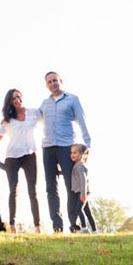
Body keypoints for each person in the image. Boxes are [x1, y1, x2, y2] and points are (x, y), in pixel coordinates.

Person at [39, 70, 90, 234]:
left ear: (60, 80)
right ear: (46, 85)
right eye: (49, 82)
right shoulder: (44, 104)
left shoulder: (72, 99)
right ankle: (57, 225)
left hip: (66, 147)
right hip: (48, 148)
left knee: (71, 186)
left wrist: (87, 145)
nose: (52, 83)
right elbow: (32, 119)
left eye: (55, 80)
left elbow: (82, 121)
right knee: (51, 187)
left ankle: (74, 224)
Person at [0, 89, 43, 233]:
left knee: (32, 191)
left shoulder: (33, 113)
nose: (16, 100)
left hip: (30, 155)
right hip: (12, 157)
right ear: (9, 102)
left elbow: (47, 120)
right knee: (13, 190)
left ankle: (37, 227)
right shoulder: (7, 120)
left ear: (22, 98)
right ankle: (12, 226)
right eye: (13, 98)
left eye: (18, 97)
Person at [70, 144, 95, 232]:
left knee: (78, 209)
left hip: (83, 192)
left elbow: (83, 180)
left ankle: (84, 228)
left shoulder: (80, 165)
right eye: (71, 153)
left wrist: (83, 194)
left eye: (75, 153)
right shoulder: (77, 164)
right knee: (87, 212)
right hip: (81, 192)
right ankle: (95, 230)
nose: (72, 155)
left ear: (81, 154)